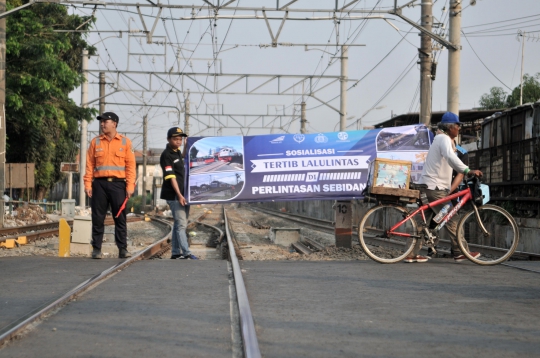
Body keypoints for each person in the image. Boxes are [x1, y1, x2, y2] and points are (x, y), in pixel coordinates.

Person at [405, 112, 483, 263]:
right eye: (457, 126)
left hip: (430, 185)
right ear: (450, 127)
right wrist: (468, 170)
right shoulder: (443, 139)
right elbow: (450, 157)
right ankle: (460, 252)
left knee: (423, 221)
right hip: (435, 187)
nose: (459, 129)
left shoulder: (440, 139)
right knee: (452, 216)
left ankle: (411, 253)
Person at [84, 112, 136, 259]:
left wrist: (130, 186)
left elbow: (131, 166)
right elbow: (89, 165)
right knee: (97, 217)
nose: (102, 124)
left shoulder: (125, 142)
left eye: (105, 121)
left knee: (120, 218)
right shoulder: (95, 142)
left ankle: (122, 248)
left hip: (118, 185)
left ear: (114, 123)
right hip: (99, 185)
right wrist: (88, 184)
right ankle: (96, 248)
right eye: (101, 122)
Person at [160, 127, 198, 260]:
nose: (178, 141)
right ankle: (186, 253)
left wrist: (187, 146)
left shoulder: (176, 153)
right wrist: (179, 195)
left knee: (178, 224)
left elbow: (181, 158)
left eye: (180, 139)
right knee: (181, 224)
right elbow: (171, 177)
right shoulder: (166, 155)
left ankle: (175, 253)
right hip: (175, 195)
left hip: (183, 194)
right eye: (175, 139)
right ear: (168, 139)